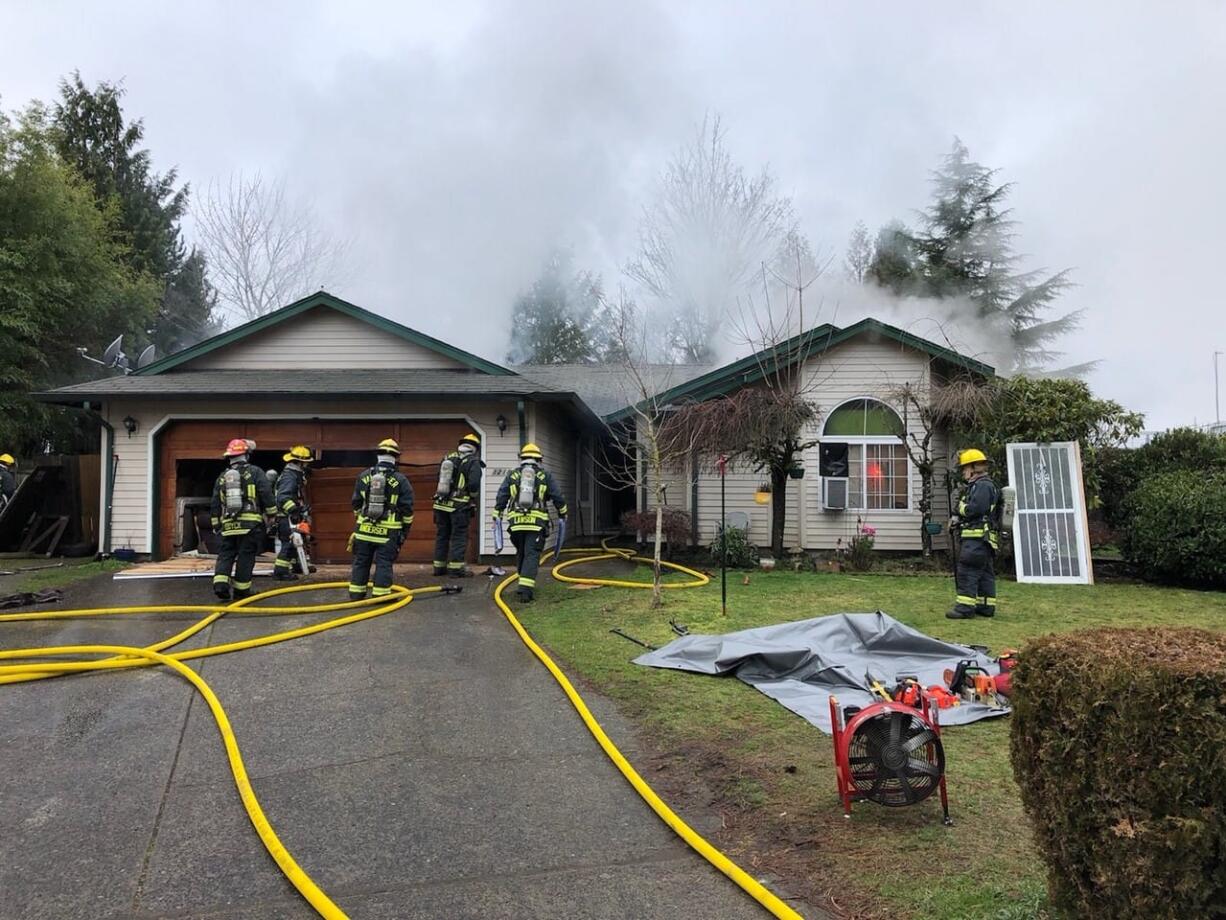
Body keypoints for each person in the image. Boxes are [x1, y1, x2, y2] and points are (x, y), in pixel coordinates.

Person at [493, 443, 567, 603]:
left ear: (522, 459)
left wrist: (497, 513)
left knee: (522, 552)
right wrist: (563, 512)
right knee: (532, 554)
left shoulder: (512, 475)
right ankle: (526, 591)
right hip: (535, 523)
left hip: (516, 524)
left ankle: (522, 582)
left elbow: (502, 495)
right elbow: (557, 496)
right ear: (538, 460)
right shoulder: (544, 475)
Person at [210, 438, 277, 601]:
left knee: (226, 554)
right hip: (250, 524)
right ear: (246, 455)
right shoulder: (255, 472)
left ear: (230, 457)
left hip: (229, 524)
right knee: (246, 556)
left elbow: (215, 502)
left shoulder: (222, 477)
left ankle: (220, 585)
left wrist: (216, 523)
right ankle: (241, 591)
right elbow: (266, 493)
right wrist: (272, 513)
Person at [349, 438, 414, 601]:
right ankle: (381, 595)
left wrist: (361, 521)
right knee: (384, 563)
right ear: (395, 457)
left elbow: (356, 503)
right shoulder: (401, 480)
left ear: (378, 455)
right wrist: (405, 529)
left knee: (361, 562)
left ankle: (356, 593)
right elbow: (407, 508)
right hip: (388, 531)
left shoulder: (363, 476)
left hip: (363, 530)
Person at [946, 448, 1002, 619]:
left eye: (964, 468)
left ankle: (965, 608)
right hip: (983, 540)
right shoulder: (983, 485)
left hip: (976, 539)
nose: (963, 472)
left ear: (972, 468)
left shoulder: (982, 486)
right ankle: (985, 606)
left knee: (967, 570)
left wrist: (960, 509)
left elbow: (976, 509)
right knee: (984, 573)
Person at [432, 432, 483, 577]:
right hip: (459, 506)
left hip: (441, 504)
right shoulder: (473, 462)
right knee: (458, 536)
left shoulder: (447, 458)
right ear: (475, 448)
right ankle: (456, 569)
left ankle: (439, 568)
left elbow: (439, 478)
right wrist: (472, 498)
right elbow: (473, 484)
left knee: (442, 535)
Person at [273, 445, 314, 580]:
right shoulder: (290, 477)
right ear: (300, 462)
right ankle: (281, 571)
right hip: (287, 516)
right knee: (289, 543)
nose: (307, 466)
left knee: (298, 539)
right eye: (306, 463)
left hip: (292, 515)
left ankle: (297, 565)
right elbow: (283, 497)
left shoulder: (294, 475)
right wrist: (293, 510)